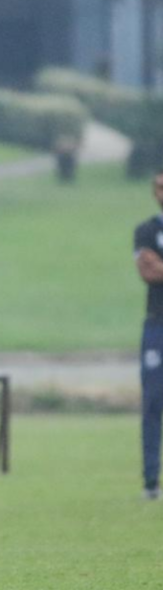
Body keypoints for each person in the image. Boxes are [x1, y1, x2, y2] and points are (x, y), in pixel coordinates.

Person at [134, 171, 163, 501]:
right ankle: (151, 481)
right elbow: (149, 271)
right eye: (158, 186)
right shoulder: (146, 230)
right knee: (153, 401)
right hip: (157, 324)